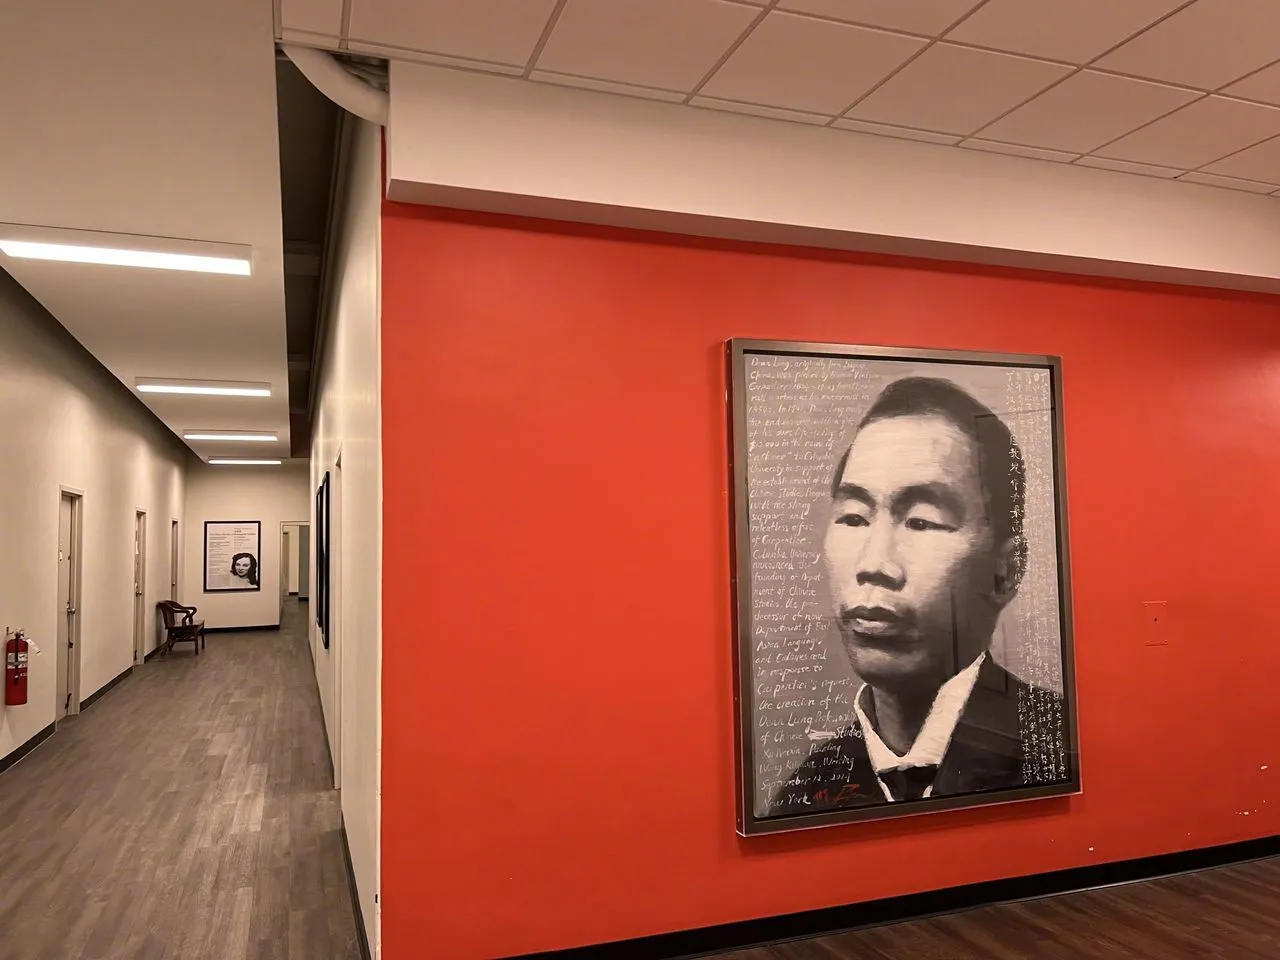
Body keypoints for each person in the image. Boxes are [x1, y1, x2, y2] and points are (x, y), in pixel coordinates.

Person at [769, 376, 1061, 816]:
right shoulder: (806, 792)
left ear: (1006, 570)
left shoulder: (1056, 747)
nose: (874, 564)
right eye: (854, 518)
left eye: (921, 522)